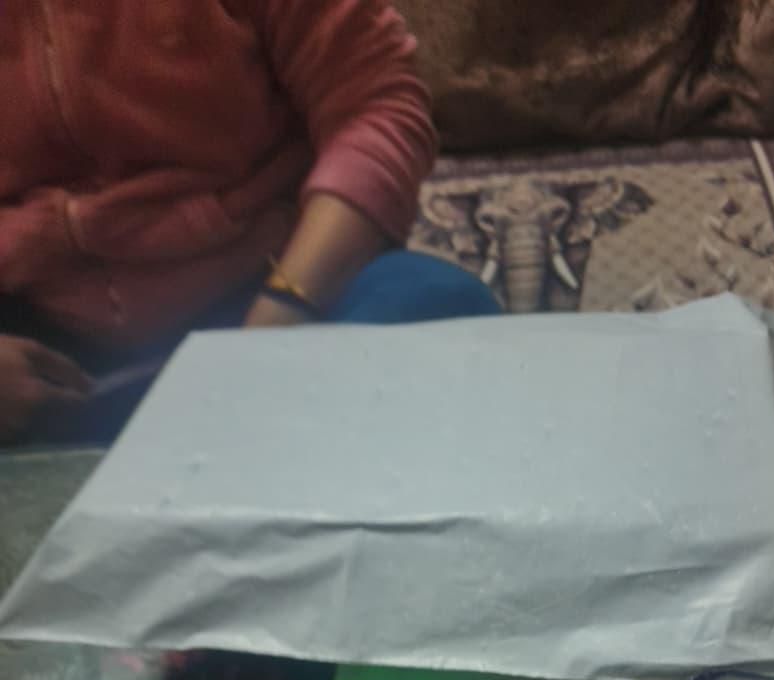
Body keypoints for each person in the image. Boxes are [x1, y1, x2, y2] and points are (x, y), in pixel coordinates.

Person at [0, 0, 499, 442]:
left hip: (272, 293)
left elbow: (375, 106)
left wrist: (284, 310)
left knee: (443, 316)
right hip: (33, 343)